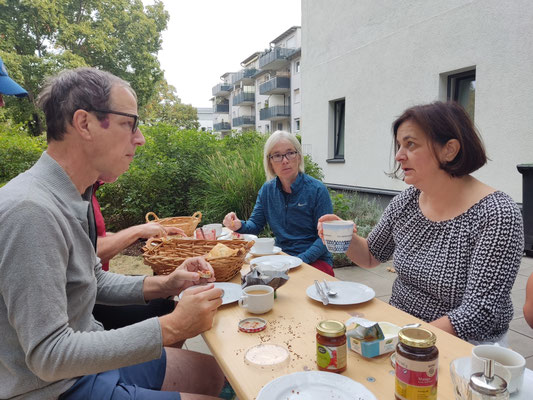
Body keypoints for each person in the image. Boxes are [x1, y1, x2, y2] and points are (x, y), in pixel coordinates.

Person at [0, 67, 225, 399]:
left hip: (88, 367)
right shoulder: (30, 211)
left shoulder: (74, 195)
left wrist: (168, 283)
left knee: (211, 375)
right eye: (129, 123)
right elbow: (48, 354)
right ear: (84, 123)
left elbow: (94, 279)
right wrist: (173, 327)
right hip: (57, 388)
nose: (140, 138)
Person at [318, 101, 523, 344]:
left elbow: (479, 312)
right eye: (399, 145)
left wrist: (403, 340)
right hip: (399, 328)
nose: (398, 155)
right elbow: (372, 255)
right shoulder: (407, 201)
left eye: (410, 144)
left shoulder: (497, 214)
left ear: (450, 150)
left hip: (464, 347)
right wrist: (346, 236)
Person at [223, 130, 335, 276]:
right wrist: (239, 225)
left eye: (290, 153)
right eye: (277, 155)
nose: (285, 160)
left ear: (299, 157)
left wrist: (299, 260)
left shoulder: (317, 190)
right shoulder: (267, 190)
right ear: (270, 162)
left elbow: (326, 237)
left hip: (315, 261)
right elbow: (255, 226)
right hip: (281, 258)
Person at [91, 180, 186, 330]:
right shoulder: (73, 194)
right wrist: (138, 231)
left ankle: (160, 350)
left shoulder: (88, 191)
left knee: (169, 292)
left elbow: (98, 239)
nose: (130, 157)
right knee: (177, 313)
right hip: (91, 304)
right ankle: (158, 351)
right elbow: (90, 253)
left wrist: (143, 236)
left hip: (97, 284)